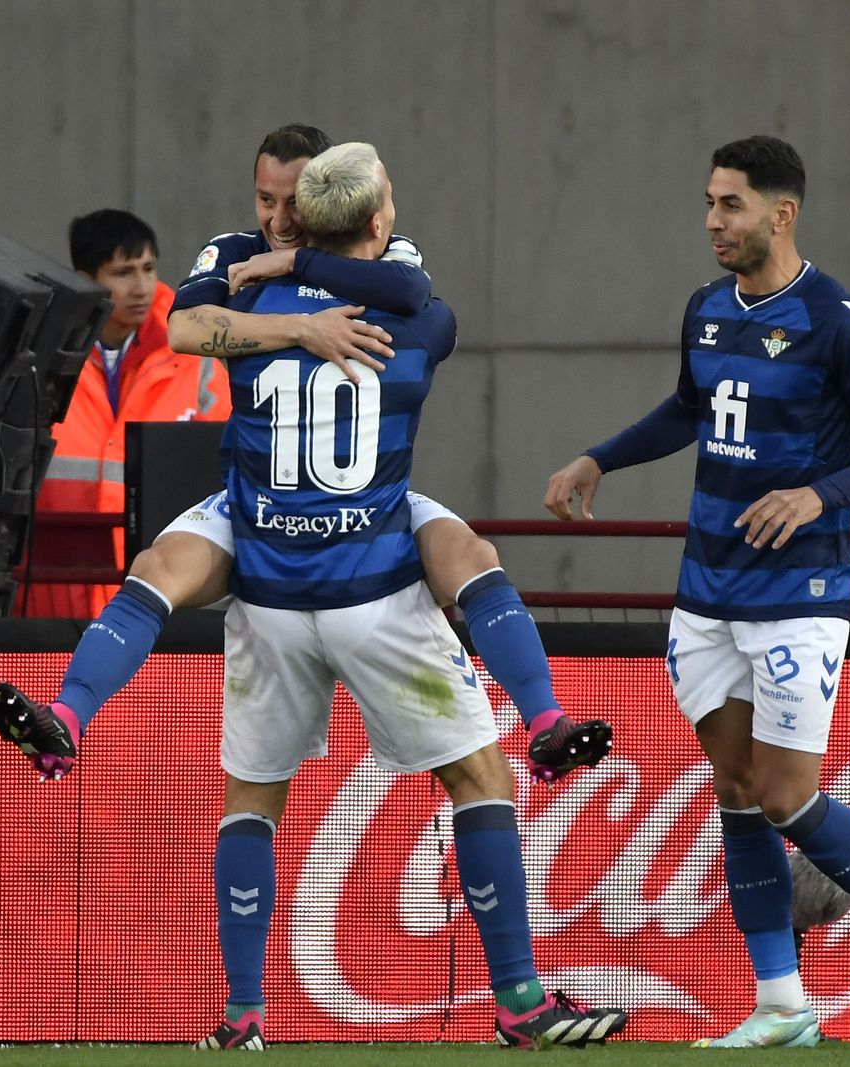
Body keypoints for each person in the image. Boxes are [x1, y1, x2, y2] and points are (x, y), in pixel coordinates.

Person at [0, 125, 608, 785]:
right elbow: (184, 330)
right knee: (157, 568)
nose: (279, 221)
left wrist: (290, 268)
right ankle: (66, 716)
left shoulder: (378, 253)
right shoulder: (238, 250)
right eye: (266, 200)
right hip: (262, 491)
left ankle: (546, 720)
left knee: (471, 555)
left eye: (294, 202)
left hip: (358, 499)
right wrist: (301, 327)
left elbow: (409, 293)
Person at [201, 144, 628, 1050]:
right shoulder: (411, 316)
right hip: (375, 579)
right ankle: (520, 1001)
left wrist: (277, 284)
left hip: (270, 576)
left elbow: (188, 328)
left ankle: (241, 1017)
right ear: (377, 218)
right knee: (478, 772)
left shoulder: (246, 303)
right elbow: (427, 308)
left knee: (251, 793)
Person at [545, 135, 850, 1047]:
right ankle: (783, 1005)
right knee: (735, 790)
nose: (713, 221)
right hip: (705, 594)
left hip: (799, 592)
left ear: (781, 213)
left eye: (731, 204)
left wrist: (818, 494)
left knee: (786, 794)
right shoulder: (707, 309)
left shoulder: (839, 319)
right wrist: (600, 456)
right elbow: (689, 408)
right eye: (709, 203)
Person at [21, 210, 229, 618]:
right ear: (85, 279)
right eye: (122, 273)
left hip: (160, 590)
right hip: (51, 588)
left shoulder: (192, 353)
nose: (141, 287)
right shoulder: (40, 357)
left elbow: (224, 471)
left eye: (148, 268)